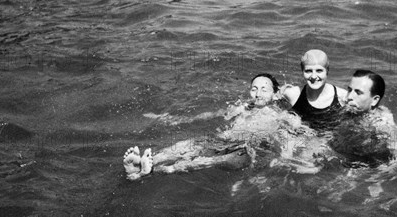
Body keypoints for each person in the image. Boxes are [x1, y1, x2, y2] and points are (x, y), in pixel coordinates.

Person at [122, 73, 302, 179]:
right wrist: (175, 120)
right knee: (188, 145)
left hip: (245, 150)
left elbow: (293, 130)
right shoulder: (242, 107)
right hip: (222, 141)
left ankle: (154, 171)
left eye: (264, 89)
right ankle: (149, 161)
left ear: (275, 93)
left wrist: (287, 157)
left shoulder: (280, 114)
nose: (258, 93)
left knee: (206, 161)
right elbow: (212, 115)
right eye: (254, 88)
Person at [281, 49, 347, 130]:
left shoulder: (342, 97)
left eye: (319, 71)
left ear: (327, 71)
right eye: (308, 71)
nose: (314, 76)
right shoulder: (294, 94)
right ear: (302, 71)